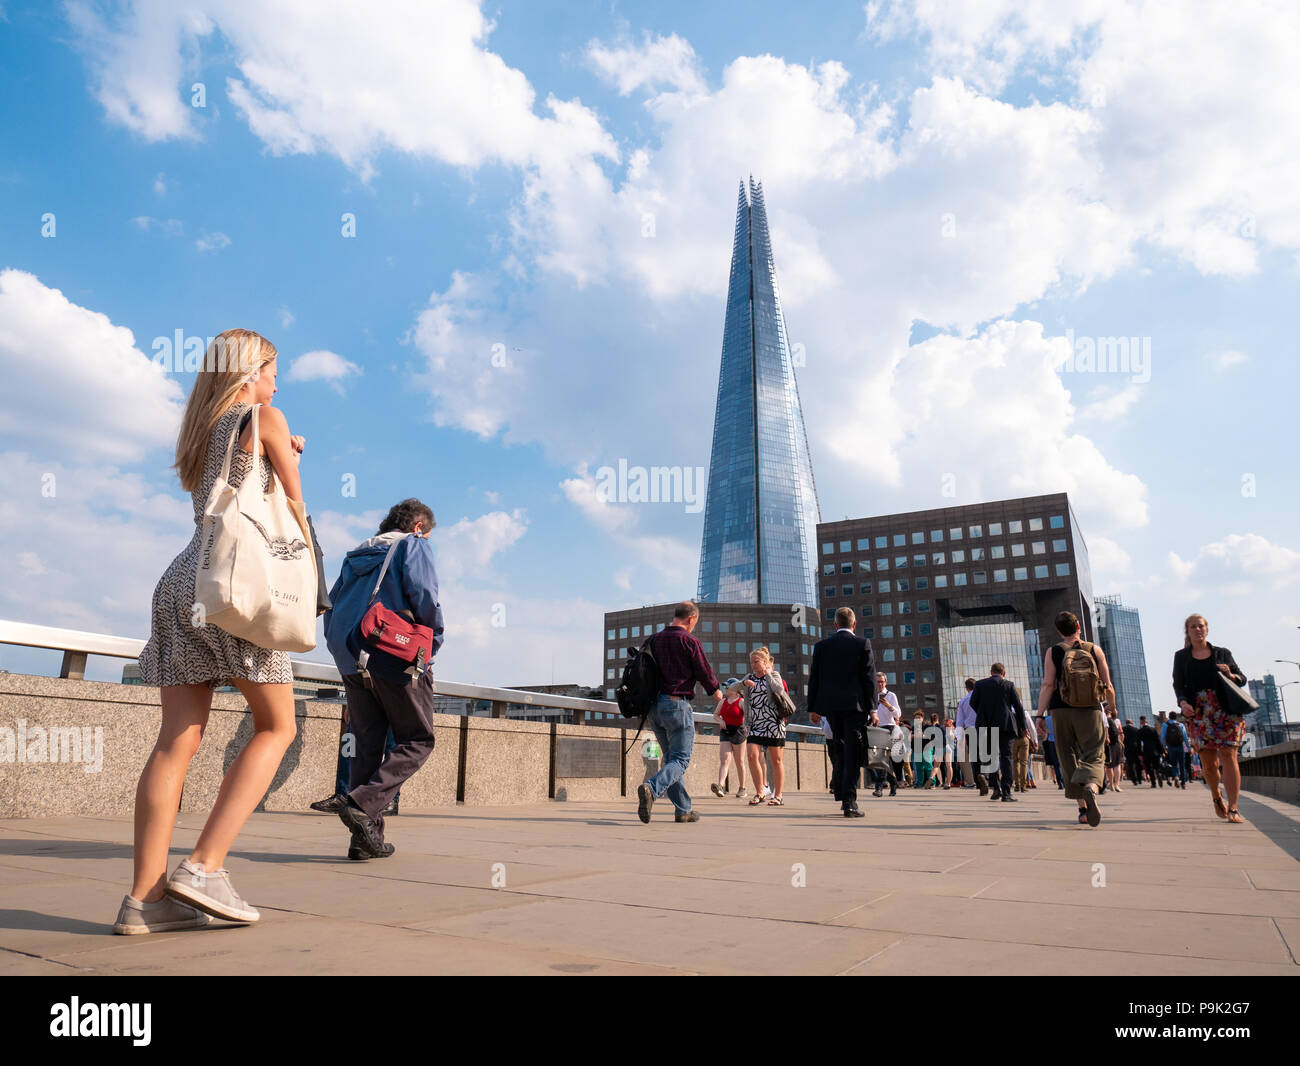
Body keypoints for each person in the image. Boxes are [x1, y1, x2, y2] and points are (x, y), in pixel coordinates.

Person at [118, 330, 304, 934]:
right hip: (237, 590)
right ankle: (203, 866)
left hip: (183, 582)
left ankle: (144, 901)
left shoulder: (203, 433)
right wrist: (289, 452)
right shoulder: (264, 416)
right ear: (250, 372)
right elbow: (295, 513)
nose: (278, 383)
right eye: (274, 371)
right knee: (278, 725)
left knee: (176, 741)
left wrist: (280, 446)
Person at [322, 499, 444, 860]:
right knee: (419, 739)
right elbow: (425, 597)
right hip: (394, 653)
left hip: (351, 655)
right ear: (419, 526)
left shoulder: (356, 556)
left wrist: (343, 653)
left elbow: (330, 606)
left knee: (365, 747)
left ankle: (363, 841)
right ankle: (362, 804)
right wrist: (429, 644)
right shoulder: (413, 544)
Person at [636, 602, 723, 823]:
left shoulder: (653, 639)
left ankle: (683, 809)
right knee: (681, 760)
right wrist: (716, 691)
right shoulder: (689, 640)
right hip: (676, 705)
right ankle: (652, 788)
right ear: (691, 619)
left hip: (655, 709)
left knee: (671, 760)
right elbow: (703, 670)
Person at [1038, 611, 1116, 828]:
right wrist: (1111, 706)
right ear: (1078, 626)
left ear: (1059, 631)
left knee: (1067, 755)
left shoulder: (1053, 651)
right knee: (1094, 752)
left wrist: (1039, 714)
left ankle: (1082, 809)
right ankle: (1092, 786)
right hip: (1090, 708)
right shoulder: (1094, 649)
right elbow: (1107, 684)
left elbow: (1047, 685)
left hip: (1060, 711)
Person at [1172, 614, 1248, 823]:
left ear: (1207, 629)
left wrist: (1231, 675)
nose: (1198, 629)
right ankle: (1216, 795)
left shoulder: (1222, 654)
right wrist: (1183, 703)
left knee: (1229, 755)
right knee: (1209, 762)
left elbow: (1242, 679)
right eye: (1193, 627)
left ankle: (1233, 807)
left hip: (1226, 711)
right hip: (1199, 713)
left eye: (1201, 626)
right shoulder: (1181, 657)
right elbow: (1178, 685)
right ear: (1187, 632)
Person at [807, 607, 877, 818]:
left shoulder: (822, 646)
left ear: (835, 625)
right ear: (854, 624)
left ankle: (841, 793)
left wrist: (813, 708)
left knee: (838, 749)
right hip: (855, 707)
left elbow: (815, 679)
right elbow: (869, 679)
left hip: (831, 708)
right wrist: (873, 708)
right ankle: (849, 801)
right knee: (852, 753)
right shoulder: (862, 644)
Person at [970, 663, 1028, 802]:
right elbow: (1018, 707)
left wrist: (982, 714)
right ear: (1004, 673)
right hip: (1005, 725)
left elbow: (973, 702)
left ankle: (995, 789)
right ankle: (1006, 792)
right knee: (1006, 757)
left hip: (986, 725)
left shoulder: (980, 684)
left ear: (991, 672)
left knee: (991, 757)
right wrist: (1023, 726)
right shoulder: (1008, 684)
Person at [743, 648, 792, 806]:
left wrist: (769, 673)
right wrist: (743, 683)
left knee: (776, 760)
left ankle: (778, 795)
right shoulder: (749, 678)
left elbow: (779, 689)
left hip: (774, 723)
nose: (753, 665)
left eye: (756, 662)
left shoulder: (774, 675)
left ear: (764, 662)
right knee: (751, 756)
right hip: (756, 723)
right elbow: (734, 688)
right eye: (751, 662)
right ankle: (759, 792)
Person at [711, 679, 748, 799]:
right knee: (725, 760)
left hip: (739, 732)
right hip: (725, 731)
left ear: (736, 689)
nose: (725, 689)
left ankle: (742, 788)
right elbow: (715, 715)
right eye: (725, 687)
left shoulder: (741, 701)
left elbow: (748, 716)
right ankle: (720, 786)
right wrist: (721, 720)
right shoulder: (722, 702)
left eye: (728, 687)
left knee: (739, 761)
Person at [871, 673, 901, 796]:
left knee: (882, 757)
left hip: (889, 728)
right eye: (877, 681)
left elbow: (898, 714)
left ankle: (879, 787)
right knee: (879, 759)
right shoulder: (872, 695)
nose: (880, 684)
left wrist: (889, 706)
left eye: (882, 681)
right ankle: (893, 782)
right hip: (876, 728)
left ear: (886, 682)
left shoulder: (891, 695)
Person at [956, 678, 978, 789]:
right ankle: (988, 779)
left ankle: (970, 782)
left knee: (966, 758)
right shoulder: (983, 698)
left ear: (966, 688)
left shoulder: (963, 701)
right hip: (984, 729)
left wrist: (959, 737)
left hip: (969, 730)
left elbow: (959, 720)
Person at [1161, 711, 1189, 789]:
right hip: (1180, 746)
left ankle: (1176, 776)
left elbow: (1162, 737)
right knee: (1182, 765)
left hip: (1171, 746)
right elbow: (1185, 737)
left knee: (1173, 764)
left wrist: (1164, 746)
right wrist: (1188, 747)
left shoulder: (1165, 725)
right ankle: (1183, 783)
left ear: (1169, 717)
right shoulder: (1180, 725)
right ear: (1176, 717)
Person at [1137, 716, 1164, 788]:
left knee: (1149, 767)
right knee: (1157, 766)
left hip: (1146, 751)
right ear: (1147, 722)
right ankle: (1159, 774)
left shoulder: (1140, 731)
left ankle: (1153, 783)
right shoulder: (1153, 729)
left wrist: (1139, 753)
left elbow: (1138, 743)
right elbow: (1158, 741)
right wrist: (1161, 751)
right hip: (1155, 750)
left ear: (1141, 722)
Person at [1122, 718, 1143, 786]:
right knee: (1138, 764)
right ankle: (1139, 778)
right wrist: (1140, 751)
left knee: (1130, 764)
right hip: (1136, 748)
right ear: (1132, 723)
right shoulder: (1136, 730)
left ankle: (1134, 779)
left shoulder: (1123, 729)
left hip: (1127, 749)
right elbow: (1139, 741)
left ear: (1126, 723)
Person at [942, 717, 957, 789]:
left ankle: (948, 783)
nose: (945, 723)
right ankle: (947, 782)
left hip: (949, 748)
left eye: (946, 721)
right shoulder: (944, 729)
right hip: (946, 748)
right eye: (944, 721)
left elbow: (953, 738)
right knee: (947, 766)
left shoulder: (951, 729)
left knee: (948, 766)